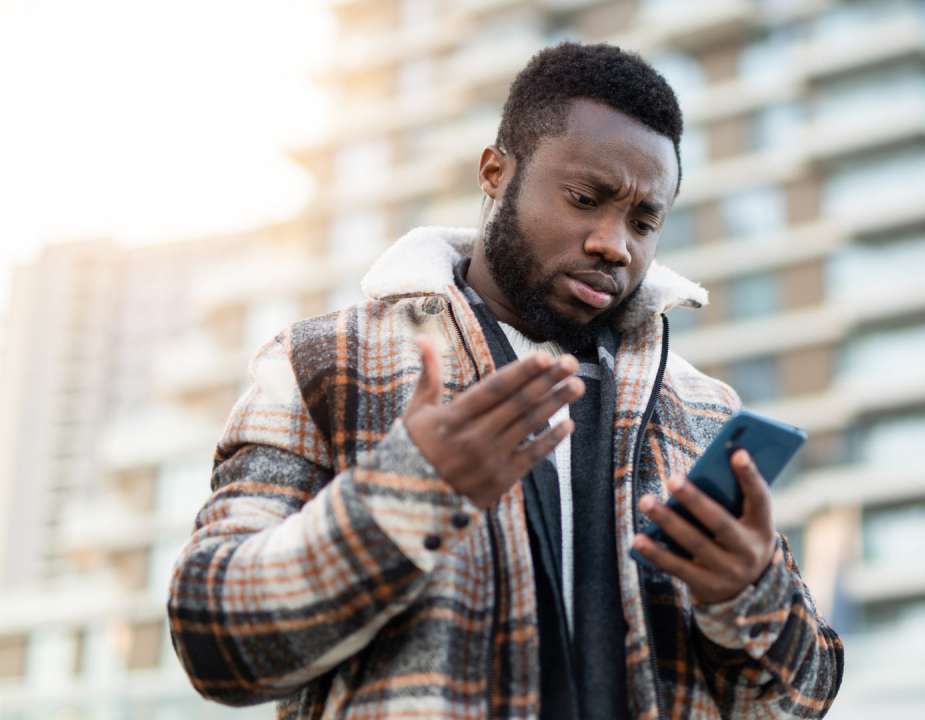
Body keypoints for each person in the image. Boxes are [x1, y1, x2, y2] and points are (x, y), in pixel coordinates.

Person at [167, 42, 843, 719]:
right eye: (586, 199)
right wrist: (404, 498)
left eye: (645, 221)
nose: (616, 244)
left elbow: (800, 700)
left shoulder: (701, 409)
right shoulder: (326, 361)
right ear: (495, 171)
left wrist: (749, 594)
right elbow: (213, 641)